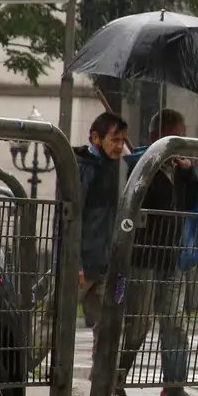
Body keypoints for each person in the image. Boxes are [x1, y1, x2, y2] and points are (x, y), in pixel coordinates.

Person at [107, 109, 198, 396]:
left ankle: (174, 387)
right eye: (177, 134)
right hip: (143, 257)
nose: (182, 141)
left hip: (170, 255)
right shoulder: (141, 164)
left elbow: (190, 203)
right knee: (138, 322)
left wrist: (188, 173)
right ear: (159, 135)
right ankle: (115, 381)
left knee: (174, 321)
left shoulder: (177, 170)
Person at [78, 113, 128, 332]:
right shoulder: (85, 168)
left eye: (123, 140)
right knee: (54, 317)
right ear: (96, 138)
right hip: (83, 264)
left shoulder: (107, 167)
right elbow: (71, 217)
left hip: (103, 262)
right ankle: (21, 363)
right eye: (115, 140)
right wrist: (75, 262)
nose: (119, 146)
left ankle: (104, 367)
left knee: (108, 324)